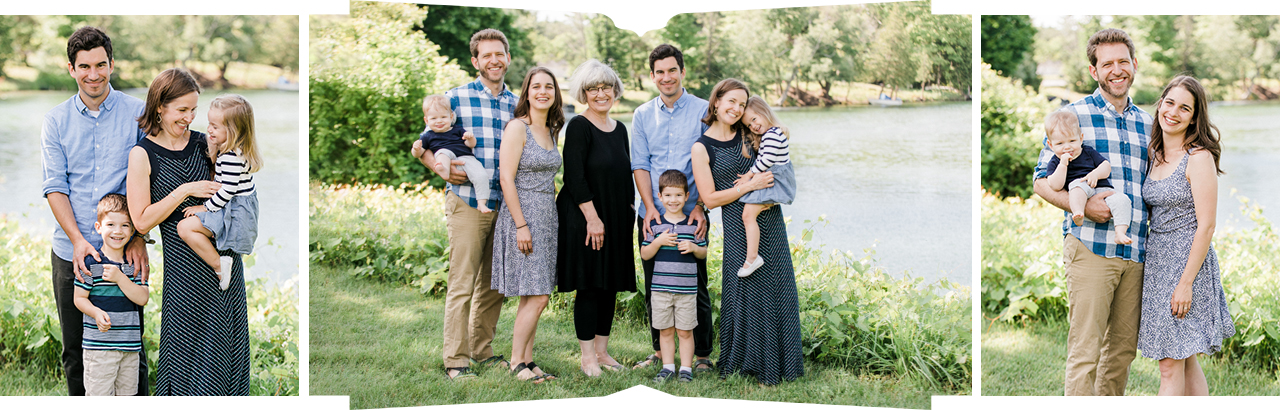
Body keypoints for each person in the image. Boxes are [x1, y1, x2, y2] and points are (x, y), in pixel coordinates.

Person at [1031, 28, 1152, 396]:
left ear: (1134, 65)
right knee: (1085, 353)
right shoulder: (1072, 116)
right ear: (1093, 70)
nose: (1116, 70)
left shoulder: (1150, 123)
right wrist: (1083, 205)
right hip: (1090, 248)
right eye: (1107, 63)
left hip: (1136, 252)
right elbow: (1040, 181)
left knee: (1120, 354)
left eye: (1123, 62)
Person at [41, 26, 150, 396]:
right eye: (84, 66)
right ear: (71, 68)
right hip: (70, 250)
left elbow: (150, 181)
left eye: (101, 65)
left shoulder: (139, 113)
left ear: (112, 64)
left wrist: (139, 237)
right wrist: (76, 240)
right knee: (76, 350)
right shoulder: (55, 121)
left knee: (132, 350)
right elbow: (55, 186)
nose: (93, 74)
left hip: (124, 249)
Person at [126, 68, 248, 395]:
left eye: (194, 110)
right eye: (182, 110)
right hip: (183, 277)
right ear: (159, 108)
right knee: (184, 363)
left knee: (223, 362)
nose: (190, 117)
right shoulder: (142, 155)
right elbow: (141, 221)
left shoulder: (204, 143)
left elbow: (235, 185)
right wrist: (184, 191)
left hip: (221, 265)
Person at [410, 28, 516, 381]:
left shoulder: (517, 104)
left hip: (504, 204)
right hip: (468, 201)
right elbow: (423, 142)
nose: (493, 60)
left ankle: (481, 350)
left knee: (493, 284)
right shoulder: (453, 98)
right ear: (475, 61)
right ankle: (456, 360)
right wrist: (439, 171)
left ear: (508, 58)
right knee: (462, 282)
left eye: (498, 53)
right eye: (486, 55)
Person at [690, 78, 803, 386]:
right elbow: (711, 199)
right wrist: (748, 185)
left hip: (769, 218)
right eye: (732, 102)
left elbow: (777, 158)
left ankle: (782, 362)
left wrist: (764, 185)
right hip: (739, 227)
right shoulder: (702, 147)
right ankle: (744, 361)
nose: (737, 109)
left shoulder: (748, 132)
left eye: (742, 104)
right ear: (716, 102)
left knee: (776, 288)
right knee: (747, 291)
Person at [1136, 76, 1234, 396]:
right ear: (1160, 104)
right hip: (1157, 265)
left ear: (1194, 117)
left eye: (1185, 108)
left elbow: (1206, 225)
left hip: (1187, 267)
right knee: (1184, 359)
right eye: (1170, 103)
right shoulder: (1154, 154)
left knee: (1169, 365)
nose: (1174, 112)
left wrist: (1186, 282)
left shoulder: (1199, 157)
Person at [630, 44, 714, 373]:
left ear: (682, 71)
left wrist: (702, 207)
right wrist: (649, 207)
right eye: (660, 72)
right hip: (651, 215)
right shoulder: (641, 114)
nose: (667, 77)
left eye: (672, 70)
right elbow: (639, 164)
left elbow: (712, 162)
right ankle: (659, 350)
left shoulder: (704, 110)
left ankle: (703, 354)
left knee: (697, 284)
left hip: (691, 214)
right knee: (655, 284)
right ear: (652, 76)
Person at [555, 59, 635, 376]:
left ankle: (602, 352)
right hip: (586, 219)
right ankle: (587, 356)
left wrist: (629, 211)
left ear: (615, 90)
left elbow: (623, 175)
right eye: (593, 88)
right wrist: (592, 217)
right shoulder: (578, 126)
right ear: (583, 93)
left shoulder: (620, 129)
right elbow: (574, 177)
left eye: (606, 87)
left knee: (610, 285)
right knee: (590, 286)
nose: (601, 93)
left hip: (616, 218)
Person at [491, 66, 564, 383]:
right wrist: (521, 225)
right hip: (523, 218)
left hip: (547, 218)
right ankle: (516, 363)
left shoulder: (551, 129)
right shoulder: (516, 128)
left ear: (555, 93)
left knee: (535, 292)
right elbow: (506, 178)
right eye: (537, 86)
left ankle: (528, 359)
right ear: (527, 92)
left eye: (549, 86)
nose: (543, 91)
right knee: (537, 296)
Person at [177, 94, 262, 291]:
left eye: (215, 126)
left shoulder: (231, 157)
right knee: (187, 227)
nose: (209, 129)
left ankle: (219, 264)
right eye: (209, 123)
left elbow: (228, 191)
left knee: (185, 227)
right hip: (232, 207)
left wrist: (204, 207)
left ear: (233, 131)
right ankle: (220, 263)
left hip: (233, 211)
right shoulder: (232, 151)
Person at [72, 194, 149, 396]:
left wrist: (120, 278)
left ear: (133, 230)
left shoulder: (134, 265)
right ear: (99, 227)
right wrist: (96, 313)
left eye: (125, 225)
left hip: (129, 348)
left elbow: (142, 298)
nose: (117, 231)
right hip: (99, 348)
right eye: (111, 224)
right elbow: (79, 298)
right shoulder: (91, 263)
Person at [639, 170, 706, 384]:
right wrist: (658, 242)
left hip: (686, 291)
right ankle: (668, 367)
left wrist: (694, 247)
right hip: (660, 290)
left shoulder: (693, 225)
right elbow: (645, 253)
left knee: (685, 331)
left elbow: (703, 252)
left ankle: (686, 368)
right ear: (660, 197)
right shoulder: (655, 225)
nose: (673, 200)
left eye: (678, 195)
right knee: (665, 331)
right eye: (668, 195)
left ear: (687, 196)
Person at [1042, 110, 1133, 245]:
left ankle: (1120, 232)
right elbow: (1055, 185)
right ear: (1051, 145)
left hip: (1102, 189)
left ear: (1081, 138)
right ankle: (1078, 212)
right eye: (1060, 144)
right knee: (1076, 186)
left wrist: (1095, 174)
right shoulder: (1055, 161)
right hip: (1080, 190)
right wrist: (1063, 164)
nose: (1067, 147)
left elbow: (1106, 166)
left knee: (1122, 200)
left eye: (1072, 141)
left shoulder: (1088, 152)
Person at [735, 96, 797, 277]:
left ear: (765, 112)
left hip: (774, 181)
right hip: (773, 180)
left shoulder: (772, 134)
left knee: (747, 215)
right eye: (749, 125)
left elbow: (766, 160)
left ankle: (752, 258)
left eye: (754, 119)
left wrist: (748, 175)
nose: (753, 126)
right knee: (749, 214)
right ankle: (752, 257)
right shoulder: (772, 134)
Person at [419, 94, 492, 213]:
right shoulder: (428, 136)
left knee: (481, 175)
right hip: (447, 158)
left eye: (443, 117)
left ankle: (482, 203)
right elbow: (419, 154)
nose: (439, 121)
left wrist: (470, 138)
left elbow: (471, 145)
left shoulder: (457, 129)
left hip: (466, 157)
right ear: (426, 120)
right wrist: (416, 149)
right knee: (442, 153)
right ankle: (443, 170)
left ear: (451, 116)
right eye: (434, 118)